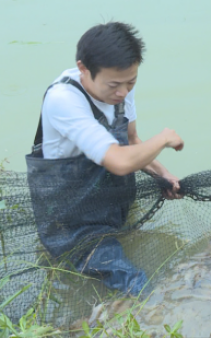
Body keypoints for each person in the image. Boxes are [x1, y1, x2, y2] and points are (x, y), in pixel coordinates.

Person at [26, 22, 184, 296]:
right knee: (137, 284)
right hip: (72, 219)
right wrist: (163, 138)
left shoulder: (120, 85)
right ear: (83, 69)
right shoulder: (63, 100)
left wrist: (163, 174)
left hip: (111, 200)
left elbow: (132, 141)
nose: (123, 92)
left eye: (131, 82)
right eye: (115, 85)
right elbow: (119, 161)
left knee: (129, 241)